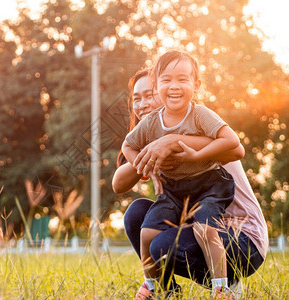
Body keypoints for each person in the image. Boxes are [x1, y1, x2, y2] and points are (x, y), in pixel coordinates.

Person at [114, 59, 268, 299]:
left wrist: (173, 140)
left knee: (163, 245)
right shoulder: (152, 130)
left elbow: (237, 150)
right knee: (138, 214)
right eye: (136, 98)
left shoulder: (197, 124)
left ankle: (227, 283)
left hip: (239, 236)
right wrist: (147, 160)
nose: (143, 104)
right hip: (194, 224)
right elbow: (118, 183)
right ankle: (166, 293)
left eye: (150, 94)